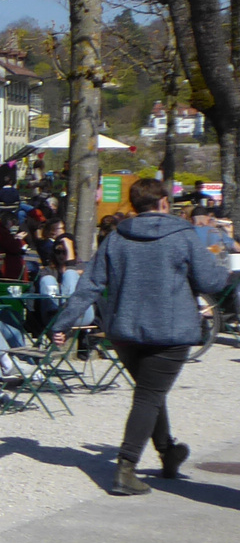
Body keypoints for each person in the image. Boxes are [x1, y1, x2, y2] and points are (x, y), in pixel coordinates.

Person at [48, 178, 225, 494]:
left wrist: (62, 323)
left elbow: (88, 285)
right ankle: (125, 469)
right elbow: (212, 282)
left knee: (150, 392)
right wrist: (223, 265)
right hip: (170, 333)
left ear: (134, 206)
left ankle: (168, 451)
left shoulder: (116, 238)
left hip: (125, 332)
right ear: (163, 203)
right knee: (148, 395)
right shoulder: (182, 236)